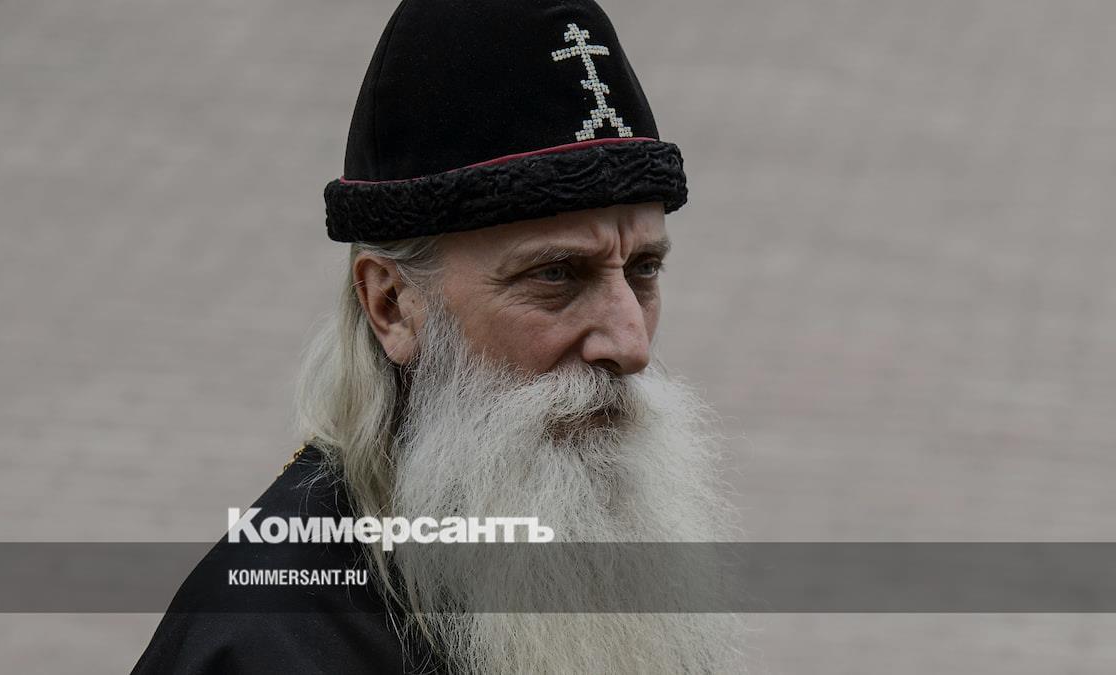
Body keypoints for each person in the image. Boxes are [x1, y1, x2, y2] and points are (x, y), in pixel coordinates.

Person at [133, 0, 744, 672]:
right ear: (393, 305)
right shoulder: (265, 645)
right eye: (555, 274)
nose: (630, 345)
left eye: (643, 268)